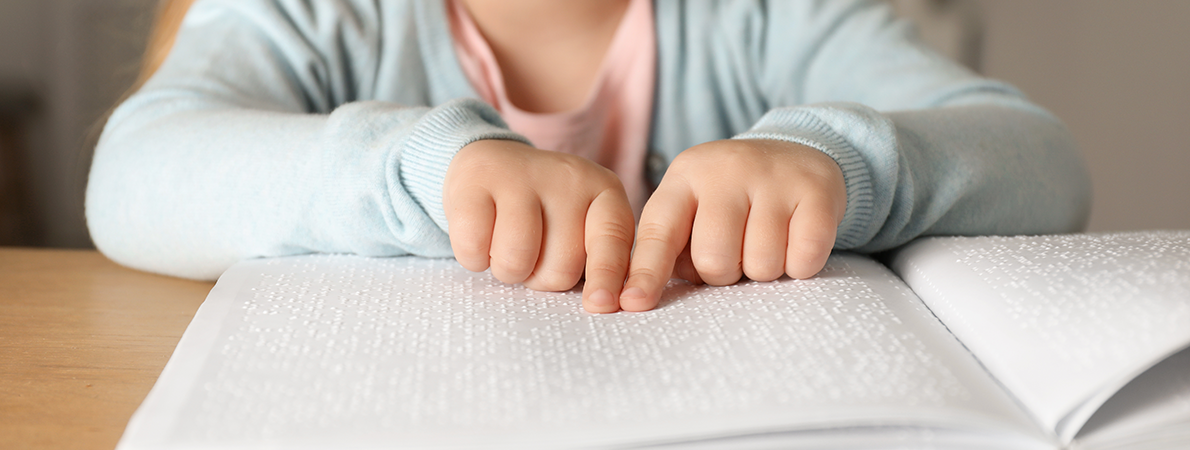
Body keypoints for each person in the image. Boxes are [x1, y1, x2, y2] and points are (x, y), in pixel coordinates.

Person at [86, 0, 1091, 314]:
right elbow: (134, 172)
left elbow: (1043, 162)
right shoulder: (307, 13)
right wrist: (418, 168)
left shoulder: (774, 15)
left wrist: (830, 157)